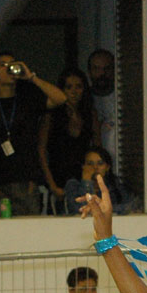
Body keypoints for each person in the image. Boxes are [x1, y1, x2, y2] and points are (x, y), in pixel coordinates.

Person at [0, 51, 66, 216]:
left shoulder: (28, 101)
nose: (8, 68)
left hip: (26, 181)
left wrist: (30, 77)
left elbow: (60, 98)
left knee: (28, 229)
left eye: (12, 64)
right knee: (0, 230)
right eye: (3, 65)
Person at [39, 68, 100, 204]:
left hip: (84, 176)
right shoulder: (51, 115)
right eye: (69, 87)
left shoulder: (90, 114)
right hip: (58, 176)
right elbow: (41, 152)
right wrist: (52, 185)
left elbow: (98, 149)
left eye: (78, 87)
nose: (74, 91)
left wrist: (97, 179)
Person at [63, 147, 135, 216]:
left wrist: (103, 208)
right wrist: (87, 183)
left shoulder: (116, 187)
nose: (95, 167)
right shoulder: (73, 185)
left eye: (100, 163)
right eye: (90, 164)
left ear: (107, 167)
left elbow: (130, 207)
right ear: (83, 166)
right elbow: (82, 210)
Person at [88, 49, 118, 169]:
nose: (102, 73)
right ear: (89, 72)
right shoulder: (84, 100)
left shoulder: (122, 97)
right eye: (97, 69)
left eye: (107, 68)